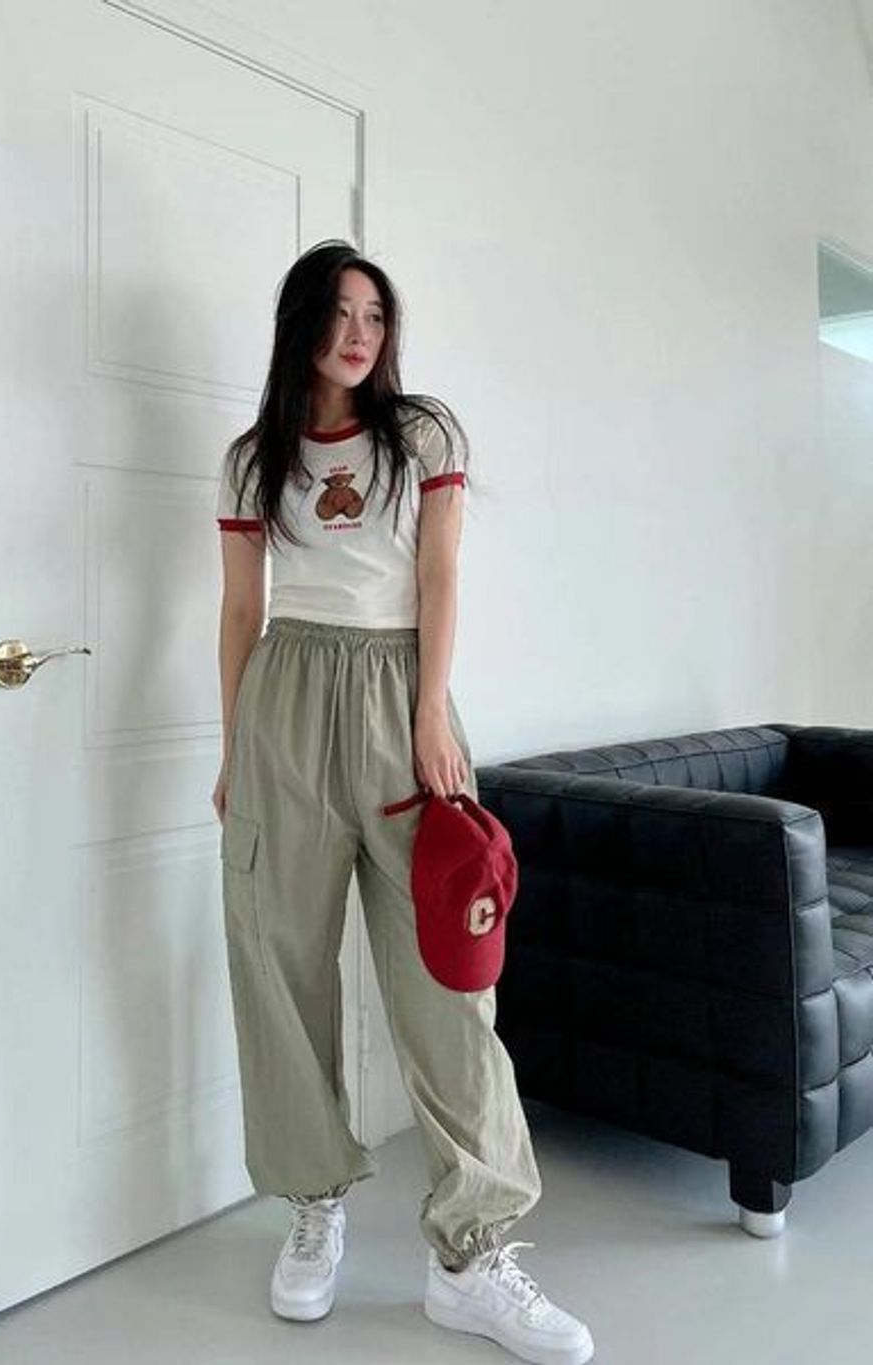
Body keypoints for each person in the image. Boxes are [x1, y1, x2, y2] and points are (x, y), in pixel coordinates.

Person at [212, 239, 594, 1365]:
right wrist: (236, 749)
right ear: (302, 324)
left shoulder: (421, 436)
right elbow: (241, 610)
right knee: (280, 962)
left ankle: (470, 1255)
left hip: (399, 700)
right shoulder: (253, 459)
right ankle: (313, 1203)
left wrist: (431, 712)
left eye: (374, 315)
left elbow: (438, 576)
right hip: (285, 700)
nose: (358, 333)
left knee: (450, 983)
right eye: (339, 312)